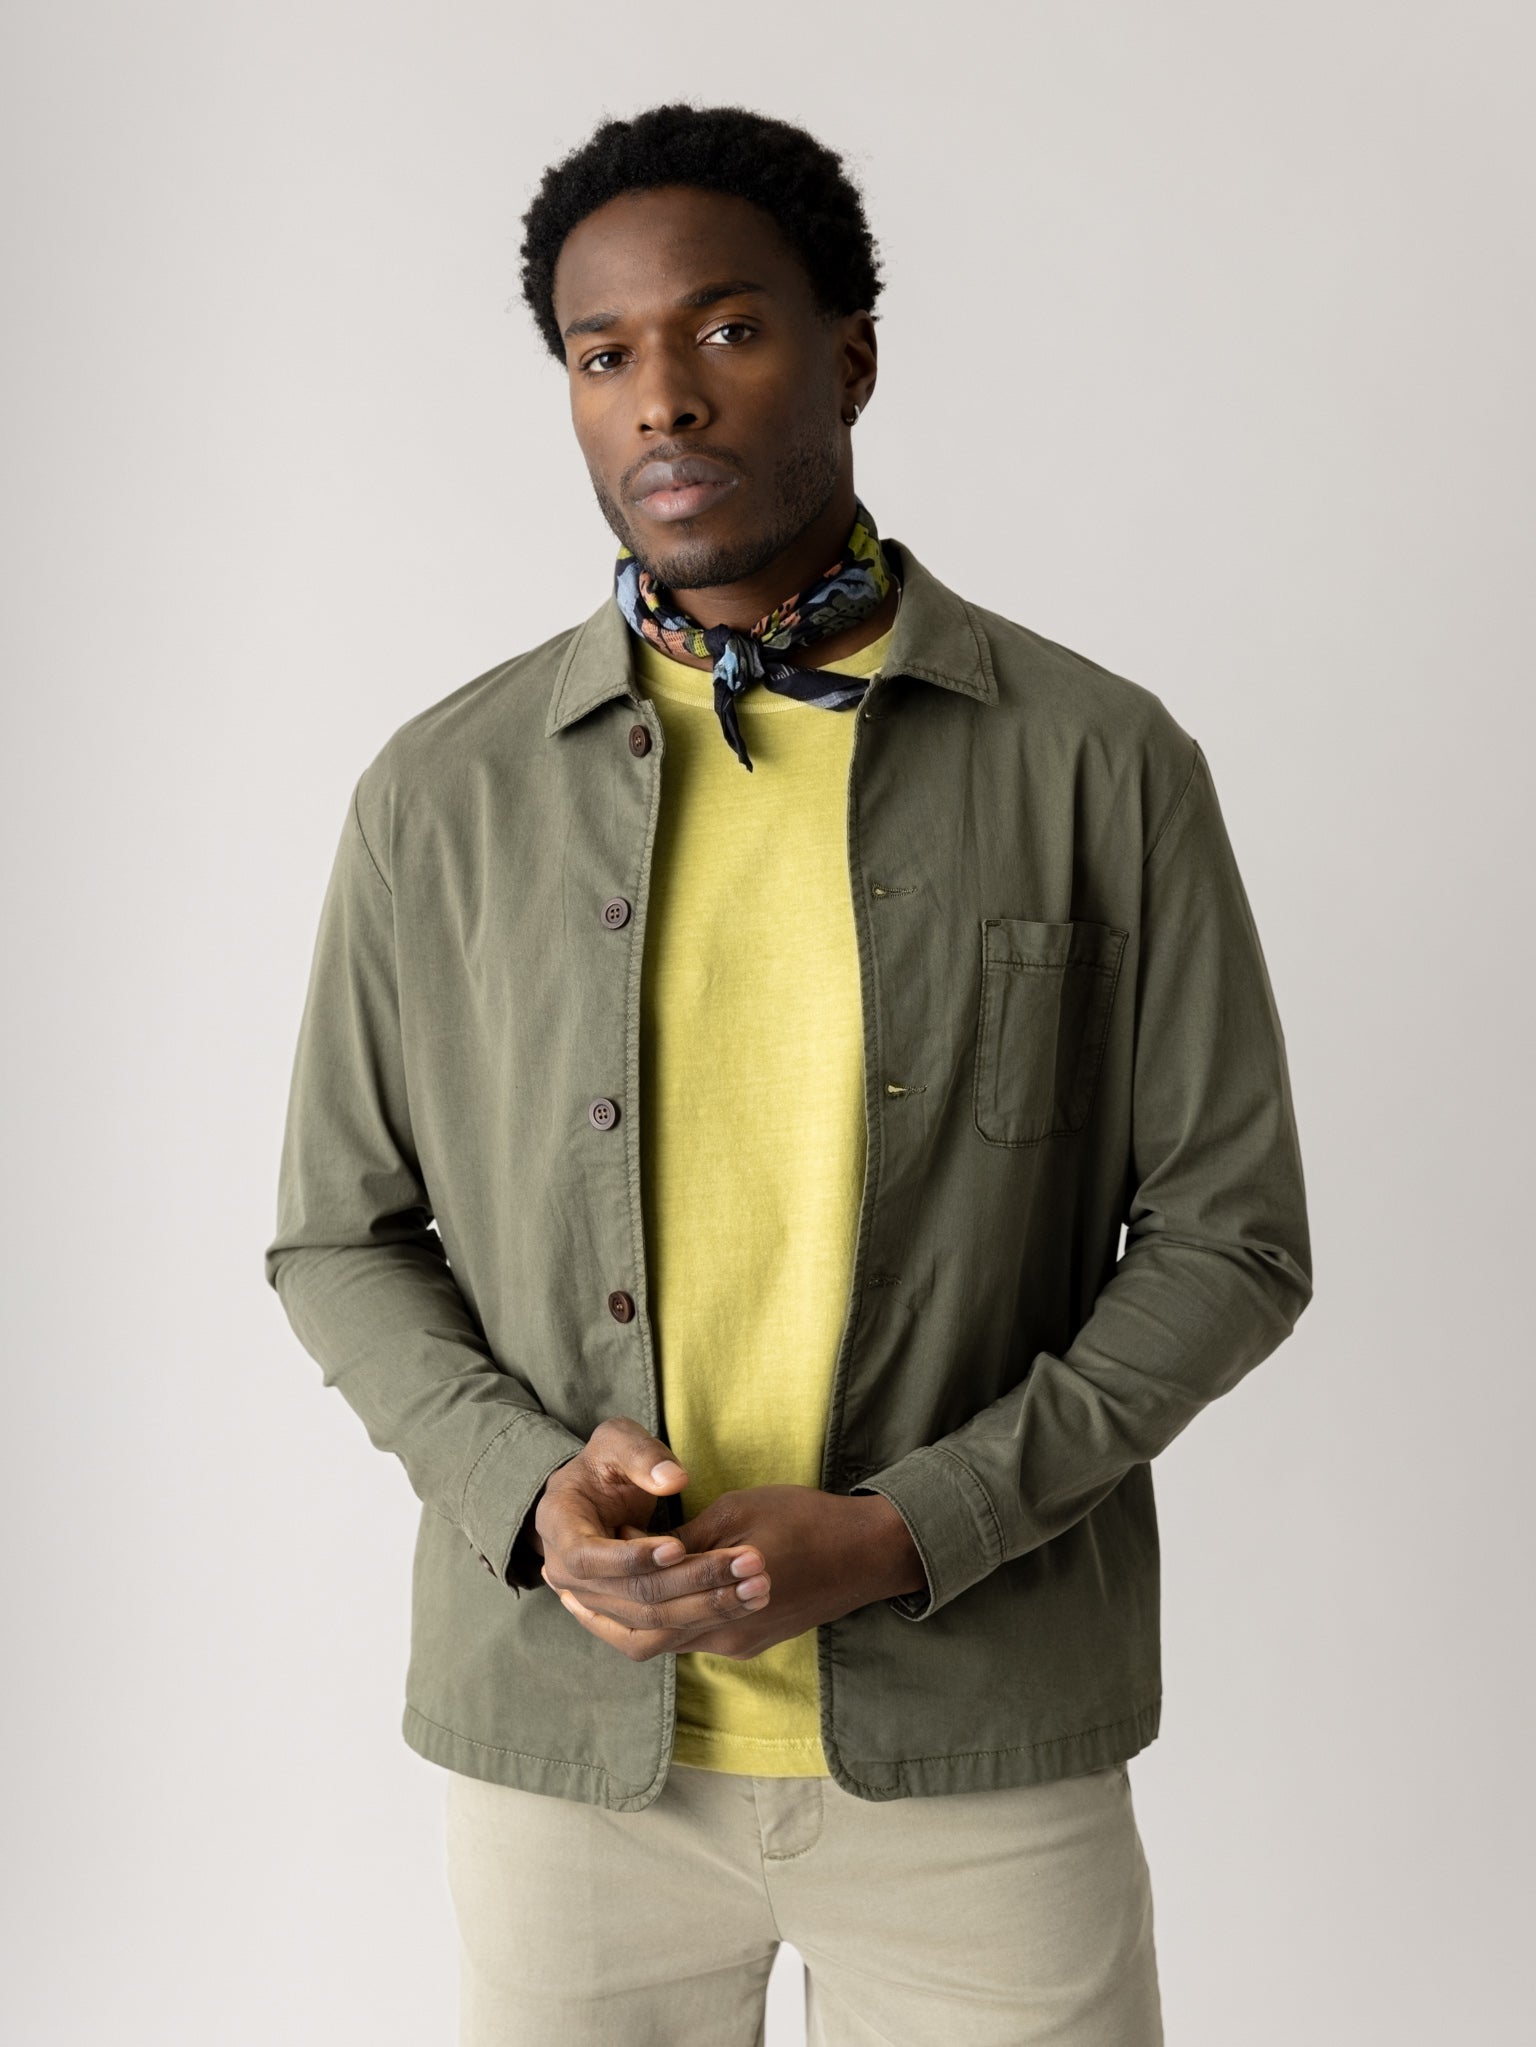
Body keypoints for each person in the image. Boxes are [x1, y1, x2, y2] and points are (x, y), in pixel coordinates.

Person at [264, 100, 1312, 2047]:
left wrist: (916, 1526)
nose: (662, 397)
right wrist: (527, 1492)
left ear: (853, 356)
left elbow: (1231, 1239)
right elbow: (339, 1232)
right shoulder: (444, 792)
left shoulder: (1098, 763)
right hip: (573, 1756)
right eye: (602, 354)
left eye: (727, 330)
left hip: (981, 1741)